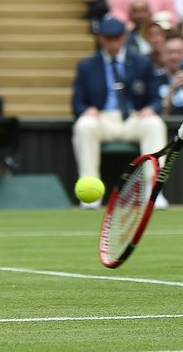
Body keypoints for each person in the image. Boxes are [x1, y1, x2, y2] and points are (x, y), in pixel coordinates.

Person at [71, 17, 167, 209]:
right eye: (108, 38)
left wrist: (151, 109)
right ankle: (90, 190)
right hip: (102, 119)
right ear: (101, 39)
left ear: (124, 37)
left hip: (133, 118)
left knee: (155, 124)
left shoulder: (142, 63)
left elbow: (156, 99)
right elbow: (77, 104)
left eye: (117, 37)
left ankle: (153, 190)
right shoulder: (87, 66)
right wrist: (86, 110)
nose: (113, 42)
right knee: (83, 126)